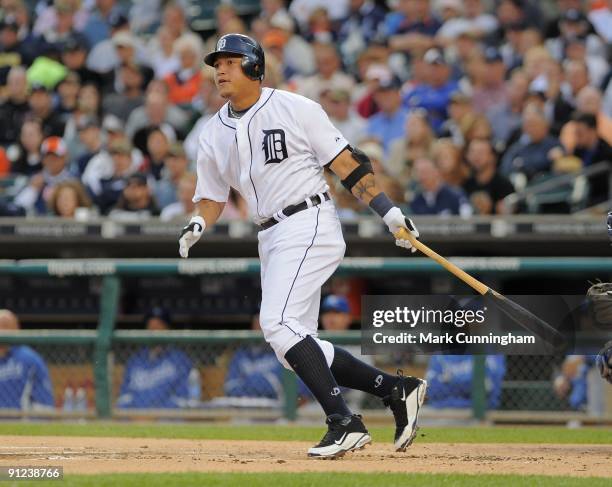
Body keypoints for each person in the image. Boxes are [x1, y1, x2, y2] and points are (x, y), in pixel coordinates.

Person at [179, 34, 427, 458]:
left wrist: (389, 213)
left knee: (275, 324)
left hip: (309, 218)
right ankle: (396, 389)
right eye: (216, 63)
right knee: (292, 344)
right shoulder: (212, 130)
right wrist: (199, 220)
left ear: (255, 67)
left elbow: (347, 164)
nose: (220, 69)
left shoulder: (296, 107)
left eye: (231, 61)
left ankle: (344, 422)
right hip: (269, 234)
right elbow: (213, 194)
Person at [116, 307, 194, 409]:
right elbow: (125, 397)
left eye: (158, 326)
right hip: (136, 418)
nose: (153, 330)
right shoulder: (135, 361)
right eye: (150, 326)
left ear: (167, 329)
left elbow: (182, 399)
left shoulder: (180, 360)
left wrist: (156, 415)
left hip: (168, 419)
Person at [0, 309, 54, 411]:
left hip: (20, 423)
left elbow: (46, 405)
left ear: (16, 329)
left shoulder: (30, 359)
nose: (1, 330)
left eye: (5, 325)